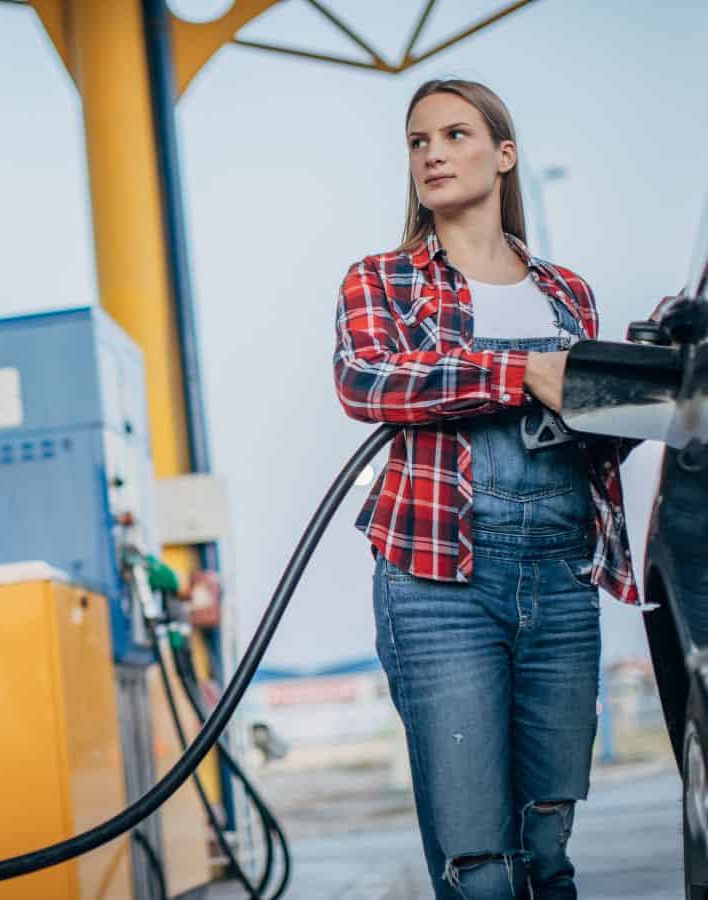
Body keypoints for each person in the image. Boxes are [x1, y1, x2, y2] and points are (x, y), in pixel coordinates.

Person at [332, 78, 643, 899]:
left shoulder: (567, 292)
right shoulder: (383, 280)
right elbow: (368, 380)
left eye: (456, 134)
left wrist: (635, 399)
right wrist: (525, 372)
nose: (432, 153)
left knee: (548, 850)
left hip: (562, 577)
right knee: (481, 870)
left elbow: (592, 429)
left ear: (504, 156)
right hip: (439, 581)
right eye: (417, 141)